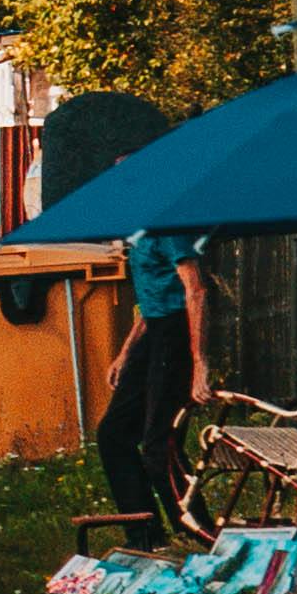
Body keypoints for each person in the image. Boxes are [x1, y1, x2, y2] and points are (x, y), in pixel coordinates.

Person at [95, 225, 217, 532]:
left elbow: (196, 290)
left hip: (178, 333)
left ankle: (196, 531)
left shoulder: (169, 229)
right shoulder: (136, 234)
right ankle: (144, 534)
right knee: (113, 433)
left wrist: (199, 363)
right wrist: (126, 352)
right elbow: (153, 301)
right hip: (155, 330)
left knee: (159, 444)